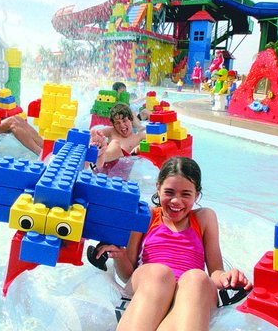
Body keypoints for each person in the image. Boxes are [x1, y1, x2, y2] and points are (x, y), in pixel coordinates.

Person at [93, 156, 252, 331]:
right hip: (152, 286)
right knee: (159, 272)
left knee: (196, 278)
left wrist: (227, 278)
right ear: (158, 187)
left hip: (189, 294)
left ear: (197, 195)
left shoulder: (204, 218)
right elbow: (128, 275)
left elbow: (215, 272)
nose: (176, 201)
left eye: (186, 194)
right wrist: (120, 255)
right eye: (169, 192)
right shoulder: (146, 216)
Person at [90, 103, 146, 169]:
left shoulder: (139, 137)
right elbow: (95, 134)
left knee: (115, 143)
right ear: (113, 125)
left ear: (131, 120)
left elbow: (154, 141)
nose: (122, 125)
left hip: (123, 169)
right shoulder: (111, 131)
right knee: (114, 143)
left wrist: (139, 147)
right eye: (117, 123)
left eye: (124, 120)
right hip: (105, 165)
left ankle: (101, 157)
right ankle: (100, 157)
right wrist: (95, 140)